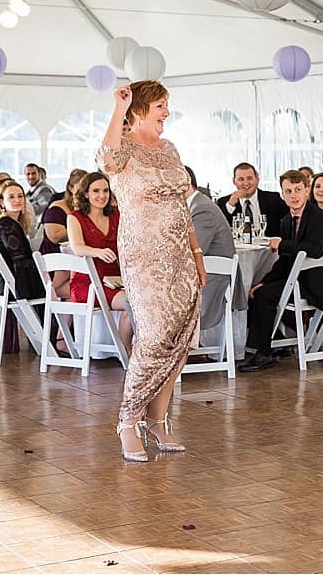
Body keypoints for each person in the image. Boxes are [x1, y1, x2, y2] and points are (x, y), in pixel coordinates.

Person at [99, 80, 205, 463]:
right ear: (141, 108)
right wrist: (117, 107)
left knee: (181, 340)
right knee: (155, 338)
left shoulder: (170, 148)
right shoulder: (123, 147)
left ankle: (158, 420)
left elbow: (181, 204)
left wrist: (196, 252)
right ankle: (128, 420)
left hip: (180, 253)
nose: (167, 113)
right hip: (144, 255)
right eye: (161, 105)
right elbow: (107, 158)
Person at [239, 170, 323, 373]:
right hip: (296, 280)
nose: (294, 195)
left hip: (313, 284)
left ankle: (263, 352)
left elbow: (315, 250)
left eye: (298, 190)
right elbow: (284, 262)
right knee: (258, 291)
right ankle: (274, 344)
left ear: (307, 191)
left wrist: (283, 244)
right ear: (282, 195)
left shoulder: (317, 217)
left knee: (265, 297)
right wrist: (264, 281)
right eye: (288, 191)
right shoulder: (286, 220)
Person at [66, 171, 134, 355]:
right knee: (132, 301)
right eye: (96, 191)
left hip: (115, 280)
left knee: (139, 299)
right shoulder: (75, 217)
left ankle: (126, 347)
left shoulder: (116, 215)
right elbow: (77, 247)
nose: (102, 195)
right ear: (86, 193)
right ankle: (126, 350)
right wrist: (97, 252)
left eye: (105, 190)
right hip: (87, 283)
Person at [185, 165, 236, 340]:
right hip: (203, 278)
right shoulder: (195, 205)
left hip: (213, 282)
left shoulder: (201, 209)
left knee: (149, 302)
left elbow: (192, 251)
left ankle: (167, 353)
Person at [0, 180, 45, 302]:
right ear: (2, 202)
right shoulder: (7, 227)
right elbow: (20, 262)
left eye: (20, 196)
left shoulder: (8, 223)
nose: (17, 200)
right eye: (11, 197)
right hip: (15, 286)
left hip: (5, 284)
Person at [39, 169, 87, 300]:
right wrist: (79, 226)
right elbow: (54, 237)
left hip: (76, 257)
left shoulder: (88, 208)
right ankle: (53, 300)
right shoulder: (57, 208)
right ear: (71, 188)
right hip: (55, 259)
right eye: (81, 187)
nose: (85, 192)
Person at [215, 162, 287, 237]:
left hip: (269, 247)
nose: (246, 183)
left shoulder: (273, 199)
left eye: (249, 178)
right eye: (241, 179)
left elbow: (292, 218)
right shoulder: (223, 202)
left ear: (257, 179)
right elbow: (220, 230)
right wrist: (230, 205)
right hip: (238, 248)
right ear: (234, 181)